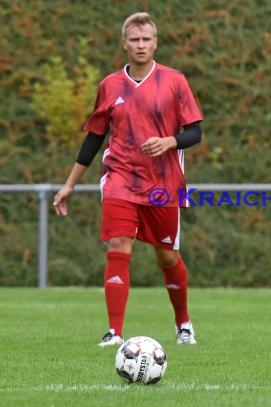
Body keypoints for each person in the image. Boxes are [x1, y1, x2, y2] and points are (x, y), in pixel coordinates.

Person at [53, 12, 203, 347]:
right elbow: (94, 137)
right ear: (124, 43)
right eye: (134, 39)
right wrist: (69, 184)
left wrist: (170, 141)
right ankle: (114, 332)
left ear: (155, 43)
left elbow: (195, 132)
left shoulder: (175, 81)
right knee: (119, 246)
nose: (140, 45)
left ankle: (184, 324)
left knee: (167, 256)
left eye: (146, 39)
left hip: (164, 185)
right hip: (120, 180)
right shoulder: (109, 85)